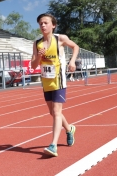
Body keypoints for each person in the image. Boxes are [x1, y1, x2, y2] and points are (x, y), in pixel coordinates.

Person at [31, 13, 79, 157]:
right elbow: (33, 66)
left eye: (45, 23)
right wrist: (39, 55)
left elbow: (75, 46)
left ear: (53, 25)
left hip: (59, 80)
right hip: (46, 81)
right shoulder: (37, 43)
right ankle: (69, 129)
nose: (43, 25)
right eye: (40, 23)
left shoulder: (60, 39)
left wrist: (72, 61)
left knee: (57, 112)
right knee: (52, 112)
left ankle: (53, 145)